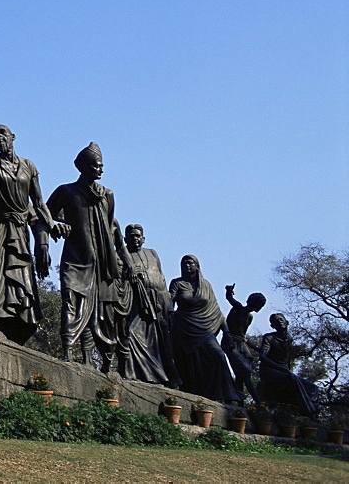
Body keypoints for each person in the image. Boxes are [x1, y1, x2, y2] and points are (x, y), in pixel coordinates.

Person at [0, 125, 54, 344]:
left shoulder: (28, 166)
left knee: (20, 275)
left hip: (19, 228)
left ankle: (17, 321)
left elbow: (38, 203)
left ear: (13, 137)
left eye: (3, 133)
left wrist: (50, 229)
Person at [47, 142, 130, 364]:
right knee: (71, 301)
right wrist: (56, 225)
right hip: (76, 258)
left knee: (100, 312)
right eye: (96, 166)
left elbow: (110, 227)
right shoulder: (66, 191)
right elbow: (43, 214)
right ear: (83, 167)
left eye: (102, 166)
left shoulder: (107, 195)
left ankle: (96, 359)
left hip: (101, 263)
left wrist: (125, 261)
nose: (101, 170)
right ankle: (67, 352)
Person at [169, 255, 240, 402]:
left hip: (205, 329)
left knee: (218, 355)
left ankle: (224, 397)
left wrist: (226, 332)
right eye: (184, 264)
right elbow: (169, 303)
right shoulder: (177, 283)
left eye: (190, 263)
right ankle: (193, 397)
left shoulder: (206, 285)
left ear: (197, 266)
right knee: (189, 365)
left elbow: (216, 310)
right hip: (184, 330)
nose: (187, 266)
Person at [122, 224, 176, 385]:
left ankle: (160, 377)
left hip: (158, 302)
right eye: (131, 236)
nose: (135, 239)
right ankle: (133, 374)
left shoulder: (152, 253)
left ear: (143, 238)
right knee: (130, 335)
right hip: (136, 302)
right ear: (125, 239)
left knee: (160, 342)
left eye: (138, 236)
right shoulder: (122, 254)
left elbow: (162, 279)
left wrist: (169, 309)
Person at [256, 313, 319, 416]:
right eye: (275, 321)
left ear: (287, 322)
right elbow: (263, 357)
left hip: (283, 370)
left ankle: (311, 414)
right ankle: (309, 412)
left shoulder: (289, 339)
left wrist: (286, 370)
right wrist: (284, 370)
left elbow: (285, 360)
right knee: (293, 380)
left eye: (281, 319)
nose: (279, 322)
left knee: (312, 387)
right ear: (272, 326)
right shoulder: (269, 338)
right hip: (269, 370)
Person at [223, 284, 266, 402]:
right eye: (260, 305)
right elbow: (229, 299)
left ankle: (239, 403)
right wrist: (229, 291)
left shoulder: (249, 317)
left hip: (242, 345)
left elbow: (244, 336)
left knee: (240, 375)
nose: (260, 308)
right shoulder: (238, 308)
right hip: (231, 342)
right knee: (245, 372)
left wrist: (257, 349)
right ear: (253, 302)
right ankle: (259, 402)